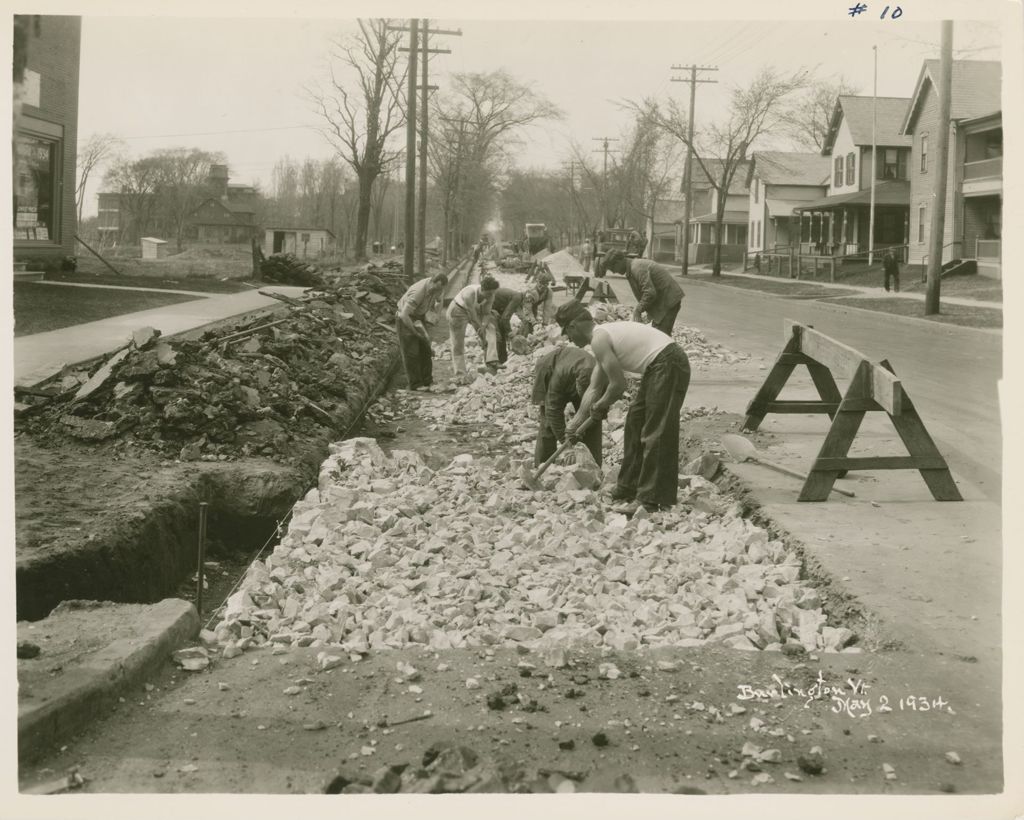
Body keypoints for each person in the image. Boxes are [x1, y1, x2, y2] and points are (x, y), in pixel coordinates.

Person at [557, 301, 690, 514]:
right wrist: (575, 424)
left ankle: (650, 500)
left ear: (573, 326)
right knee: (634, 424)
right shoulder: (600, 340)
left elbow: (618, 386)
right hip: (658, 366)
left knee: (655, 432)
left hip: (669, 363)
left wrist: (601, 405)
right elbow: (594, 387)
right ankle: (628, 487)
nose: (569, 339)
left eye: (567, 333)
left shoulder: (599, 339)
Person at [531, 345, 603, 468]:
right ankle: (543, 466)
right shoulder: (559, 379)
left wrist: (596, 413)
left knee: (593, 419)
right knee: (548, 423)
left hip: (579, 374)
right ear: (576, 384)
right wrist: (567, 445)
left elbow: (602, 407)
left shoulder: (601, 375)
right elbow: (553, 413)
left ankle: (593, 466)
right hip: (549, 369)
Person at [599, 248, 683, 335]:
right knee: (655, 331)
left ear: (619, 261)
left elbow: (650, 292)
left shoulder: (636, 268)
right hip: (663, 300)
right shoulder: (632, 268)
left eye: (613, 268)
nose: (613, 272)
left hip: (669, 300)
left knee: (661, 335)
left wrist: (638, 310)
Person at [396, 273, 448, 390]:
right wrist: (415, 333)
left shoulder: (437, 288)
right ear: (432, 282)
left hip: (419, 316)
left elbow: (440, 300)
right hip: (405, 318)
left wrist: (437, 315)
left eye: (440, 290)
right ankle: (415, 384)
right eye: (435, 289)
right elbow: (404, 315)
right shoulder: (418, 292)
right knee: (412, 352)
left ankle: (427, 381)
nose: (437, 292)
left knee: (425, 349)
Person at [447, 274, 500, 378]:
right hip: (458, 310)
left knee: (490, 328)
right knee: (458, 342)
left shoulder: (491, 295)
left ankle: (491, 361)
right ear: (483, 289)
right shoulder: (469, 294)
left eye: (493, 293)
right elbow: (472, 316)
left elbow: (486, 313)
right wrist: (480, 329)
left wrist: (484, 327)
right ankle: (460, 374)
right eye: (489, 293)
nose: (491, 296)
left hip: (474, 311)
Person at [489, 286, 525, 364]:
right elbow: (505, 318)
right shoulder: (517, 298)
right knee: (497, 335)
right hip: (488, 308)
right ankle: (494, 363)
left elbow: (517, 314)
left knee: (501, 332)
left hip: (495, 306)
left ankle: (503, 360)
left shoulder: (516, 296)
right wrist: (510, 334)